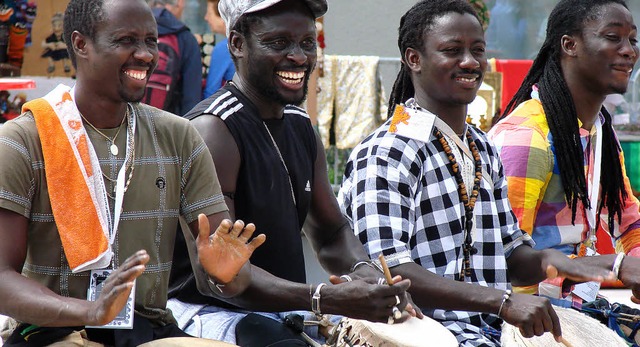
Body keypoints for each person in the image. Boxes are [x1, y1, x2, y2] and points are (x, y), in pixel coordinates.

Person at [337, 0, 625, 345]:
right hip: (424, 333)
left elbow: (512, 255)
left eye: (478, 50)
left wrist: (601, 265)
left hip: (487, 331)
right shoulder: (387, 150)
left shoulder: (481, 146)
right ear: (414, 59)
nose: (470, 62)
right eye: (452, 50)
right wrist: (502, 302)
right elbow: (388, 270)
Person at [0, 0, 265, 346]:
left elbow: (221, 276)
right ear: (81, 44)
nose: (145, 55)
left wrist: (226, 275)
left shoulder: (179, 136)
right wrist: (90, 311)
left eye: (151, 42)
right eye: (126, 40)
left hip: (147, 329)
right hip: (52, 331)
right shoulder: (23, 139)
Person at [167, 0, 418, 344]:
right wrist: (323, 297)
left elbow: (331, 234)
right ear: (238, 44)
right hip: (210, 312)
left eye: (306, 42)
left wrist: (369, 277)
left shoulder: (300, 126)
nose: (299, 57)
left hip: (286, 309)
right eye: (279, 43)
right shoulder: (213, 130)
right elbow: (225, 278)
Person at [488, 0, 640, 304]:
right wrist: (614, 266)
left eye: (632, 40)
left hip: (575, 307)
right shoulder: (527, 137)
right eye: (613, 38)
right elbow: (504, 261)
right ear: (569, 45)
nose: (629, 51)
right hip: (527, 319)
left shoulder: (598, 129)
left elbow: (627, 215)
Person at [146, 0, 203, 116]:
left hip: (129, 123)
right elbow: (191, 97)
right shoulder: (186, 38)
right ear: (180, 2)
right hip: (169, 125)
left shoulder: (132, 29)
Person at [203, 0, 235, 99]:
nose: (206, 18)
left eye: (209, 13)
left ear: (222, 16)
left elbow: (211, 92)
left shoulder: (224, 48)